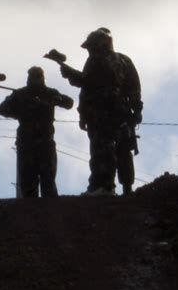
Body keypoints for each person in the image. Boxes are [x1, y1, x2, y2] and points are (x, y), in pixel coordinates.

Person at [59, 28, 143, 196]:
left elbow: (87, 84)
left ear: (99, 44)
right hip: (120, 111)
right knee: (122, 149)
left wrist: (70, 73)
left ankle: (104, 186)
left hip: (101, 112)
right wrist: (136, 110)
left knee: (102, 149)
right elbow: (134, 88)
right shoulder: (124, 60)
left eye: (91, 46)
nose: (90, 50)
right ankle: (126, 187)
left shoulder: (96, 61)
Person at [0, 67, 73, 198]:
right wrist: (20, 113)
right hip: (28, 143)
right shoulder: (20, 94)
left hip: (44, 142)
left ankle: (49, 213)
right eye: (34, 77)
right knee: (28, 185)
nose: (36, 80)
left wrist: (57, 99)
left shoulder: (49, 93)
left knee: (47, 182)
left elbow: (69, 103)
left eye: (38, 76)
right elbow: (1, 109)